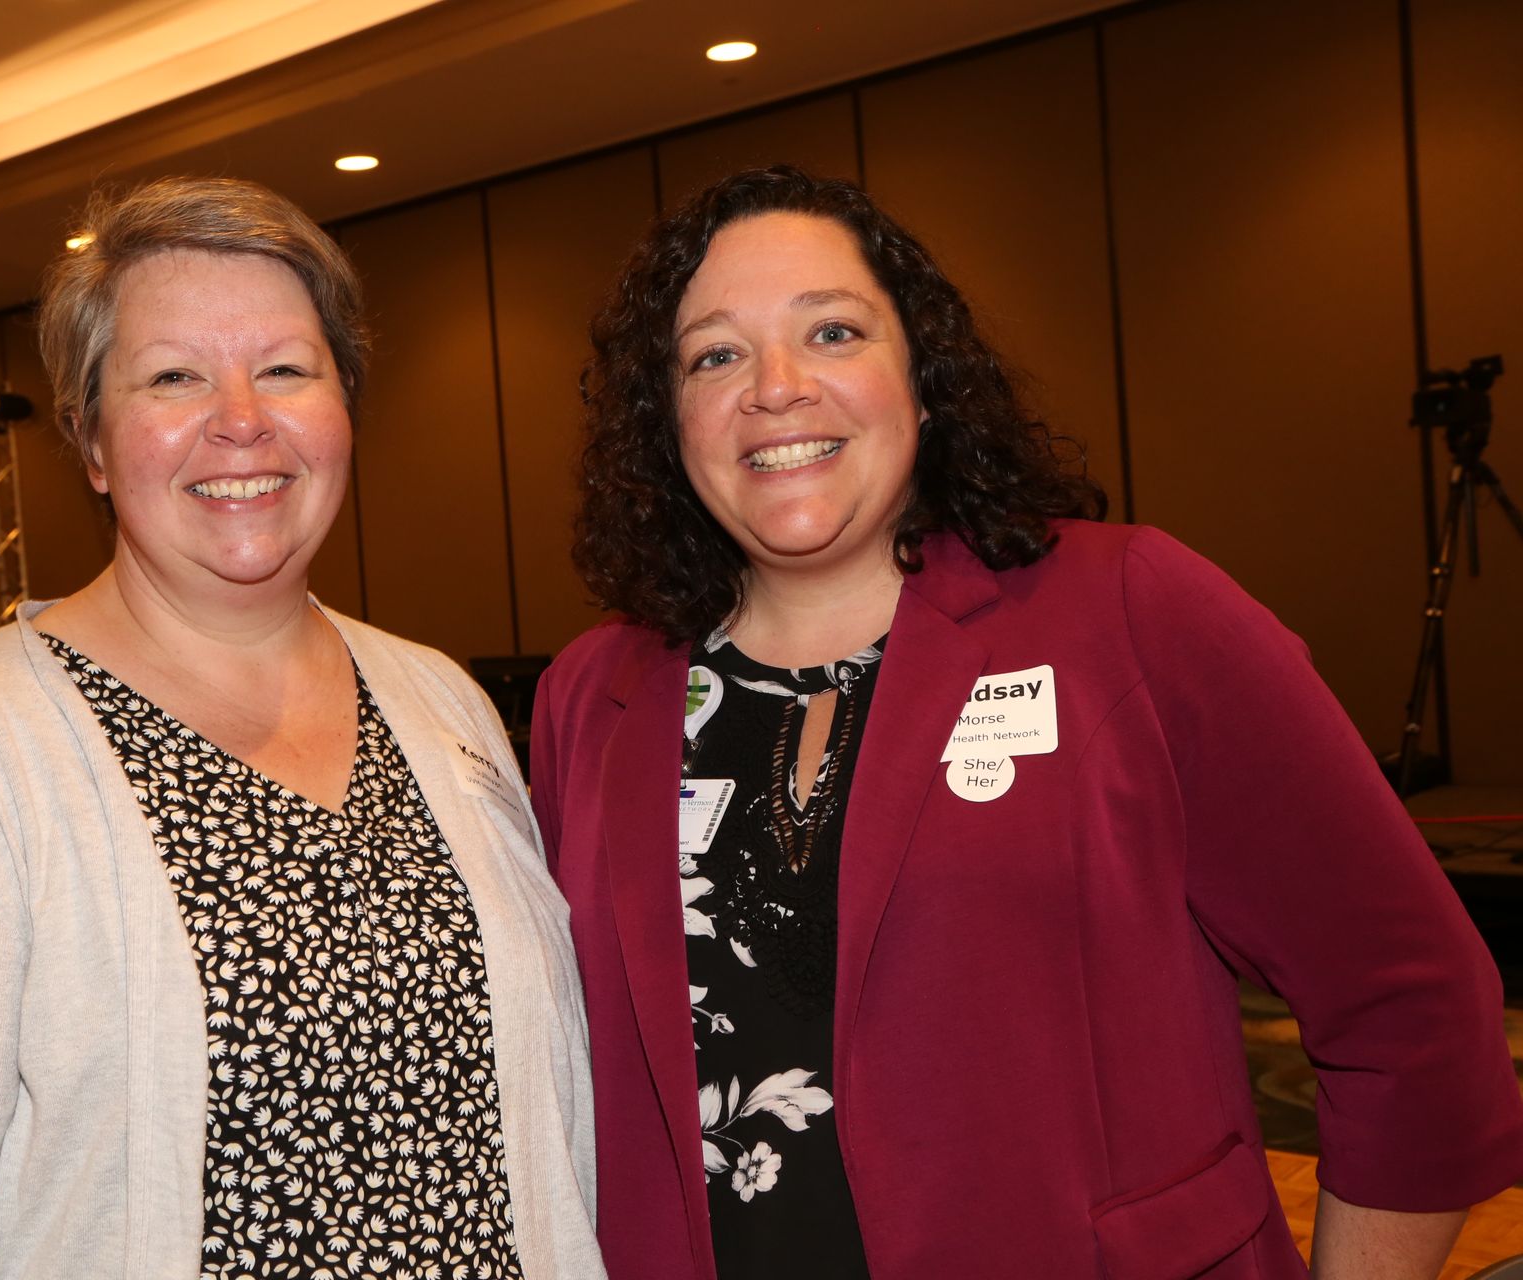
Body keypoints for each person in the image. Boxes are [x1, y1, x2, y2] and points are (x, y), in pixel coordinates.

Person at [529, 165, 1523, 1280]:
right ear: (667, 422)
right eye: (714, 355)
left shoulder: (1131, 611)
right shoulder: (592, 697)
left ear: (923, 379)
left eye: (833, 332)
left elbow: (1408, 1001)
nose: (776, 387)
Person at [0, 177, 603, 1280]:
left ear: (345, 410)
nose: (241, 417)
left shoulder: (440, 703)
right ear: (93, 443)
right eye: (173, 377)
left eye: (286, 369)